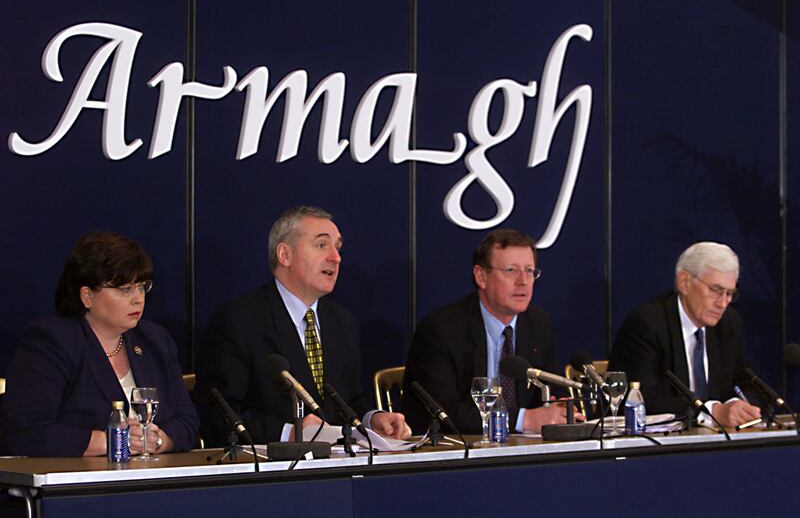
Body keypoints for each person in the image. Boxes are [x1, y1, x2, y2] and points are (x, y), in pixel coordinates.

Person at [197, 206, 410, 445]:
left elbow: (349, 400)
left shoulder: (342, 321)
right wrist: (289, 433)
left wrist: (373, 419)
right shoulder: (238, 321)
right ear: (284, 255)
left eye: (338, 248)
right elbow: (215, 416)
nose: (336, 257)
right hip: (273, 472)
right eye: (321, 245)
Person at [0, 232, 199, 457]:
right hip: (76, 485)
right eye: (125, 289)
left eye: (142, 287)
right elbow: (27, 431)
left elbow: (187, 421)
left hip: (150, 481)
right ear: (87, 296)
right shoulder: (51, 341)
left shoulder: (155, 339)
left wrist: (158, 440)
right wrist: (115, 441)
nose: (138, 298)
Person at [402, 229, 581, 435]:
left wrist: (559, 406)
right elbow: (443, 412)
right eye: (511, 270)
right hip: (455, 452)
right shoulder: (441, 330)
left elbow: (550, 386)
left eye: (530, 271)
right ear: (481, 277)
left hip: (522, 450)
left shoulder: (539, 324)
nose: (523, 280)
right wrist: (525, 419)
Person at [609, 241, 761, 427]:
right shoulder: (647, 323)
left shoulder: (729, 323)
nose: (722, 303)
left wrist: (738, 405)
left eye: (729, 294)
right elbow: (640, 401)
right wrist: (710, 412)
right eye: (716, 290)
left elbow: (747, 384)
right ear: (685, 283)